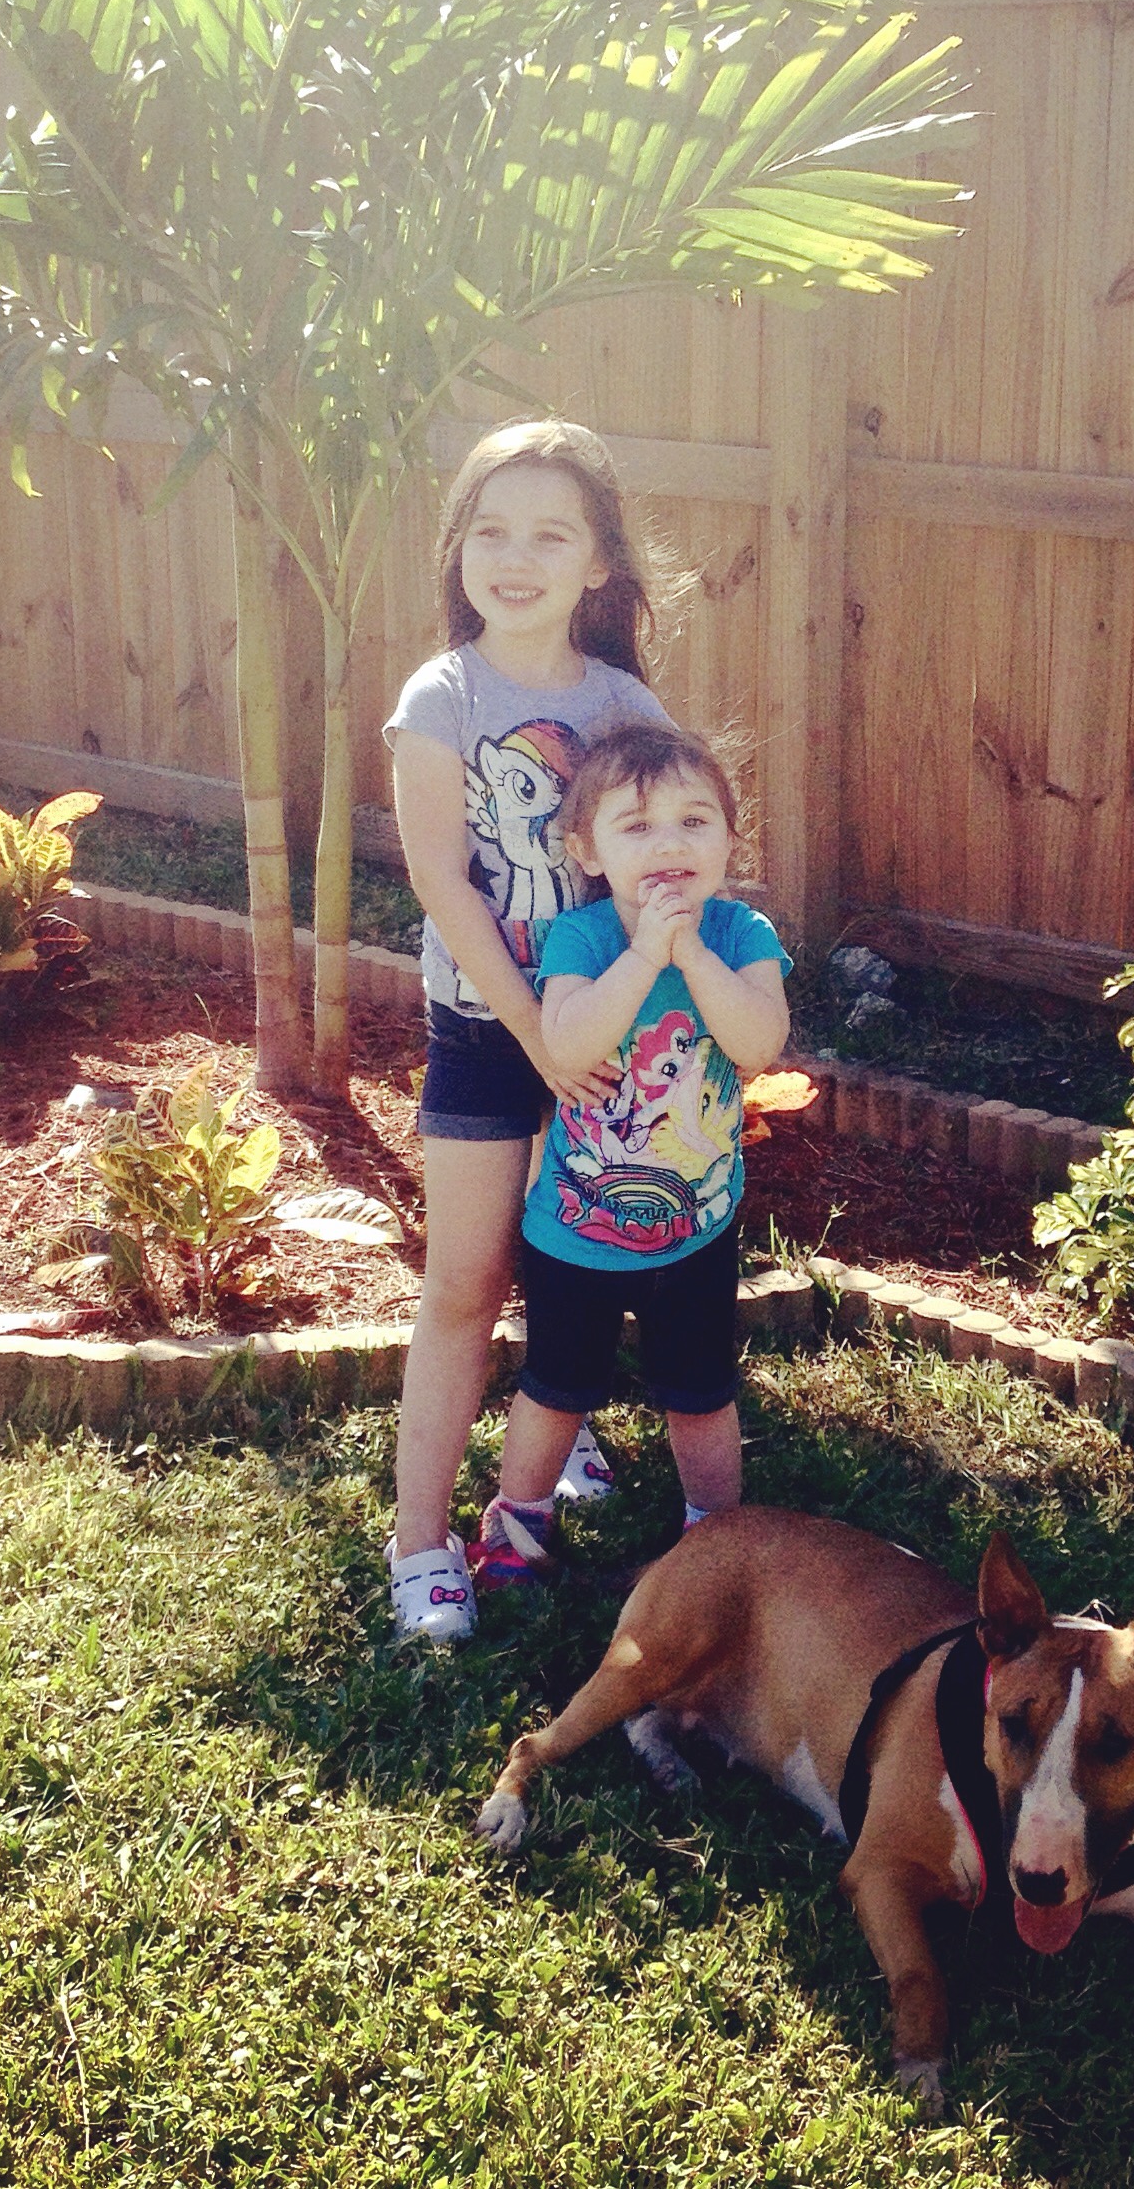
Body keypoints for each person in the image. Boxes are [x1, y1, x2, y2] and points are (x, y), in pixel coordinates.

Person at [383, 419, 675, 1642]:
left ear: (599, 563)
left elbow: (661, 861)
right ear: (458, 549)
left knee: (577, 1264)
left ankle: (558, 1432)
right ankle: (420, 1545)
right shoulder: (441, 699)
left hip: (600, 1034)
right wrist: (539, 1034)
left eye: (551, 535)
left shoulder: (623, 705)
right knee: (465, 1281)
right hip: (487, 1033)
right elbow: (443, 882)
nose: (516, 558)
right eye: (492, 531)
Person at [469, 717, 791, 1590]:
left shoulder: (741, 935)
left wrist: (692, 953)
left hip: (697, 1233)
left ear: (730, 839)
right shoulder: (581, 939)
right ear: (587, 850)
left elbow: (758, 1042)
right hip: (578, 1230)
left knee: (702, 1391)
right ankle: (518, 1523)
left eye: (695, 821)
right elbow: (569, 1043)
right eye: (637, 826)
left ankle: (715, 1537)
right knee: (557, 1385)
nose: (670, 844)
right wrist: (648, 952)